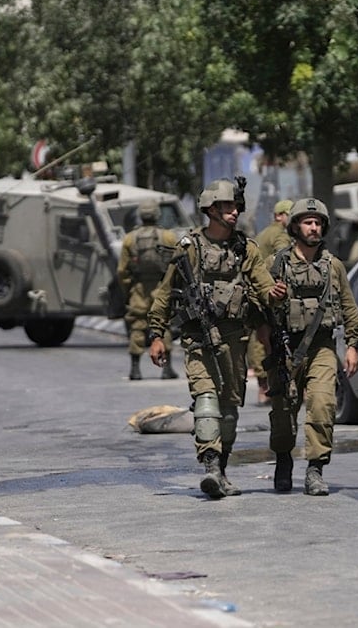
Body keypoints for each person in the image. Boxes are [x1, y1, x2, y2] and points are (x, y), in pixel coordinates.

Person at [147, 178, 285, 499]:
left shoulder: (245, 249)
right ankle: (210, 467)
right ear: (210, 209)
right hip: (198, 340)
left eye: (236, 206)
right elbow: (165, 295)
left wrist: (274, 293)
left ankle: (221, 469)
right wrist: (157, 335)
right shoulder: (190, 248)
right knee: (206, 400)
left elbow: (263, 285)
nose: (234, 211)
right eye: (226, 206)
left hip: (235, 339)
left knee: (230, 409)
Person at [262, 197, 358, 496]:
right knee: (283, 411)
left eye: (318, 222)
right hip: (284, 347)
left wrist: (353, 344)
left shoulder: (333, 267)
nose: (313, 227)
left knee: (322, 405)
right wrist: (271, 295)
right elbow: (256, 307)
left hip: (321, 347)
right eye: (307, 222)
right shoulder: (276, 264)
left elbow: (349, 307)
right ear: (294, 226)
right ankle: (283, 461)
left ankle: (315, 469)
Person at [117, 198, 179, 381]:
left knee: (137, 324)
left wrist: (128, 287)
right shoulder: (168, 237)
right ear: (157, 213)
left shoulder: (129, 239)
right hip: (162, 287)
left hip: (139, 287)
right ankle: (166, 369)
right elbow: (176, 264)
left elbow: (122, 270)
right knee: (164, 324)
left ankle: (135, 369)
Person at [248, 199, 294, 404]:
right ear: (279, 216)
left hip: (258, 289)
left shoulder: (263, 233)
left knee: (259, 336)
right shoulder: (280, 235)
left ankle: (263, 385)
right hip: (271, 290)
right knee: (265, 339)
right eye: (289, 214)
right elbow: (283, 260)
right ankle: (266, 385)